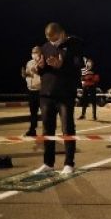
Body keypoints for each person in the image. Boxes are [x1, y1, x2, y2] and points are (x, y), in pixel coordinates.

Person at [31, 22, 84, 176]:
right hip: (46, 94)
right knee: (47, 130)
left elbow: (77, 69)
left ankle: (69, 163)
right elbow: (44, 72)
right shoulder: (45, 47)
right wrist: (39, 67)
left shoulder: (74, 44)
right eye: (49, 39)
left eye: (54, 39)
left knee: (67, 128)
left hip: (65, 94)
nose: (52, 42)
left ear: (62, 33)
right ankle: (48, 163)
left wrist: (62, 65)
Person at [21, 46, 42, 136]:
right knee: (33, 112)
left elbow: (46, 76)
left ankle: (48, 131)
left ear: (40, 53)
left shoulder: (43, 62)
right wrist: (24, 74)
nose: (34, 54)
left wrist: (38, 72)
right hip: (31, 90)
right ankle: (32, 130)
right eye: (33, 52)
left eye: (36, 52)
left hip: (41, 91)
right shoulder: (29, 63)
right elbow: (28, 74)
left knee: (45, 113)